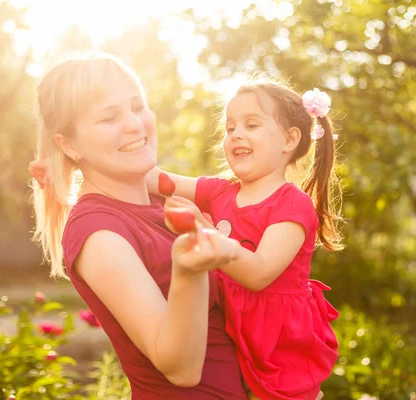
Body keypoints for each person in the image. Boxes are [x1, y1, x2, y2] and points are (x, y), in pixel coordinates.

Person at [30, 52, 249, 400]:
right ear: (68, 144)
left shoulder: (166, 205)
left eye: (137, 106)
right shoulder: (98, 231)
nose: (134, 124)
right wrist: (189, 272)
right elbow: (180, 369)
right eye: (108, 118)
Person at [150, 80, 342, 399]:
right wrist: (91, 158)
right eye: (229, 127)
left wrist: (206, 233)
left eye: (251, 124)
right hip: (230, 334)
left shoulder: (292, 205)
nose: (236, 133)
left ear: (289, 139)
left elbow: (258, 273)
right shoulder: (220, 191)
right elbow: (161, 181)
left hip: (280, 347)